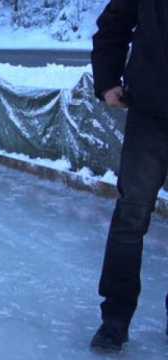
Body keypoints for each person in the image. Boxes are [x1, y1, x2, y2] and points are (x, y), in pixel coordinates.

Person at [90, 0, 168, 353]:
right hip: (149, 115)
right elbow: (113, 25)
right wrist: (108, 81)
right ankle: (115, 320)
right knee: (131, 218)